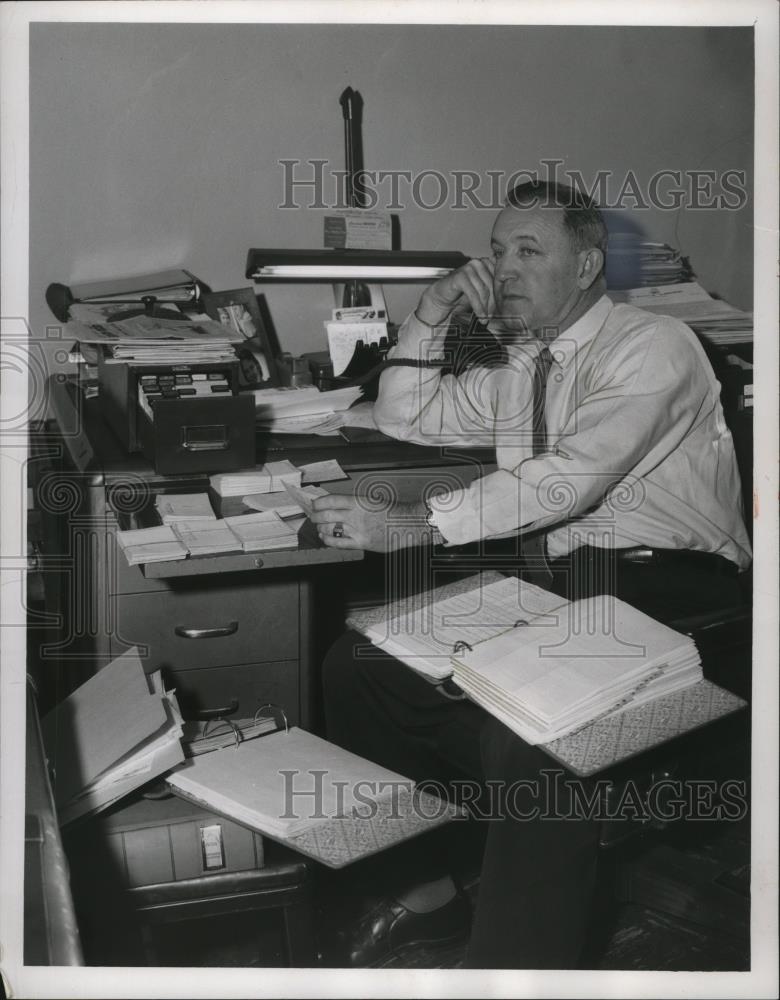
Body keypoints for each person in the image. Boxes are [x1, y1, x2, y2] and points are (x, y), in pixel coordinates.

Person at [309, 180, 752, 968]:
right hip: (565, 586)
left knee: (531, 745)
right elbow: (401, 414)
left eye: (527, 250)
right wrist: (436, 310)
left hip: (680, 591)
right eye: (495, 251)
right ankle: (428, 901)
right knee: (359, 668)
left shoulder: (655, 346)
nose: (502, 268)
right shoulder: (524, 365)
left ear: (585, 265)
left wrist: (412, 524)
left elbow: (570, 478)